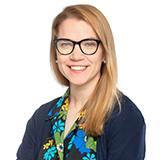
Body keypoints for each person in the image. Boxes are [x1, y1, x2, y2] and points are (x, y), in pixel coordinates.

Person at [16, 4, 146, 160]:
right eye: (66, 44)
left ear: (104, 52)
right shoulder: (42, 117)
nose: (76, 56)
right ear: (56, 52)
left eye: (88, 44)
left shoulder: (125, 117)